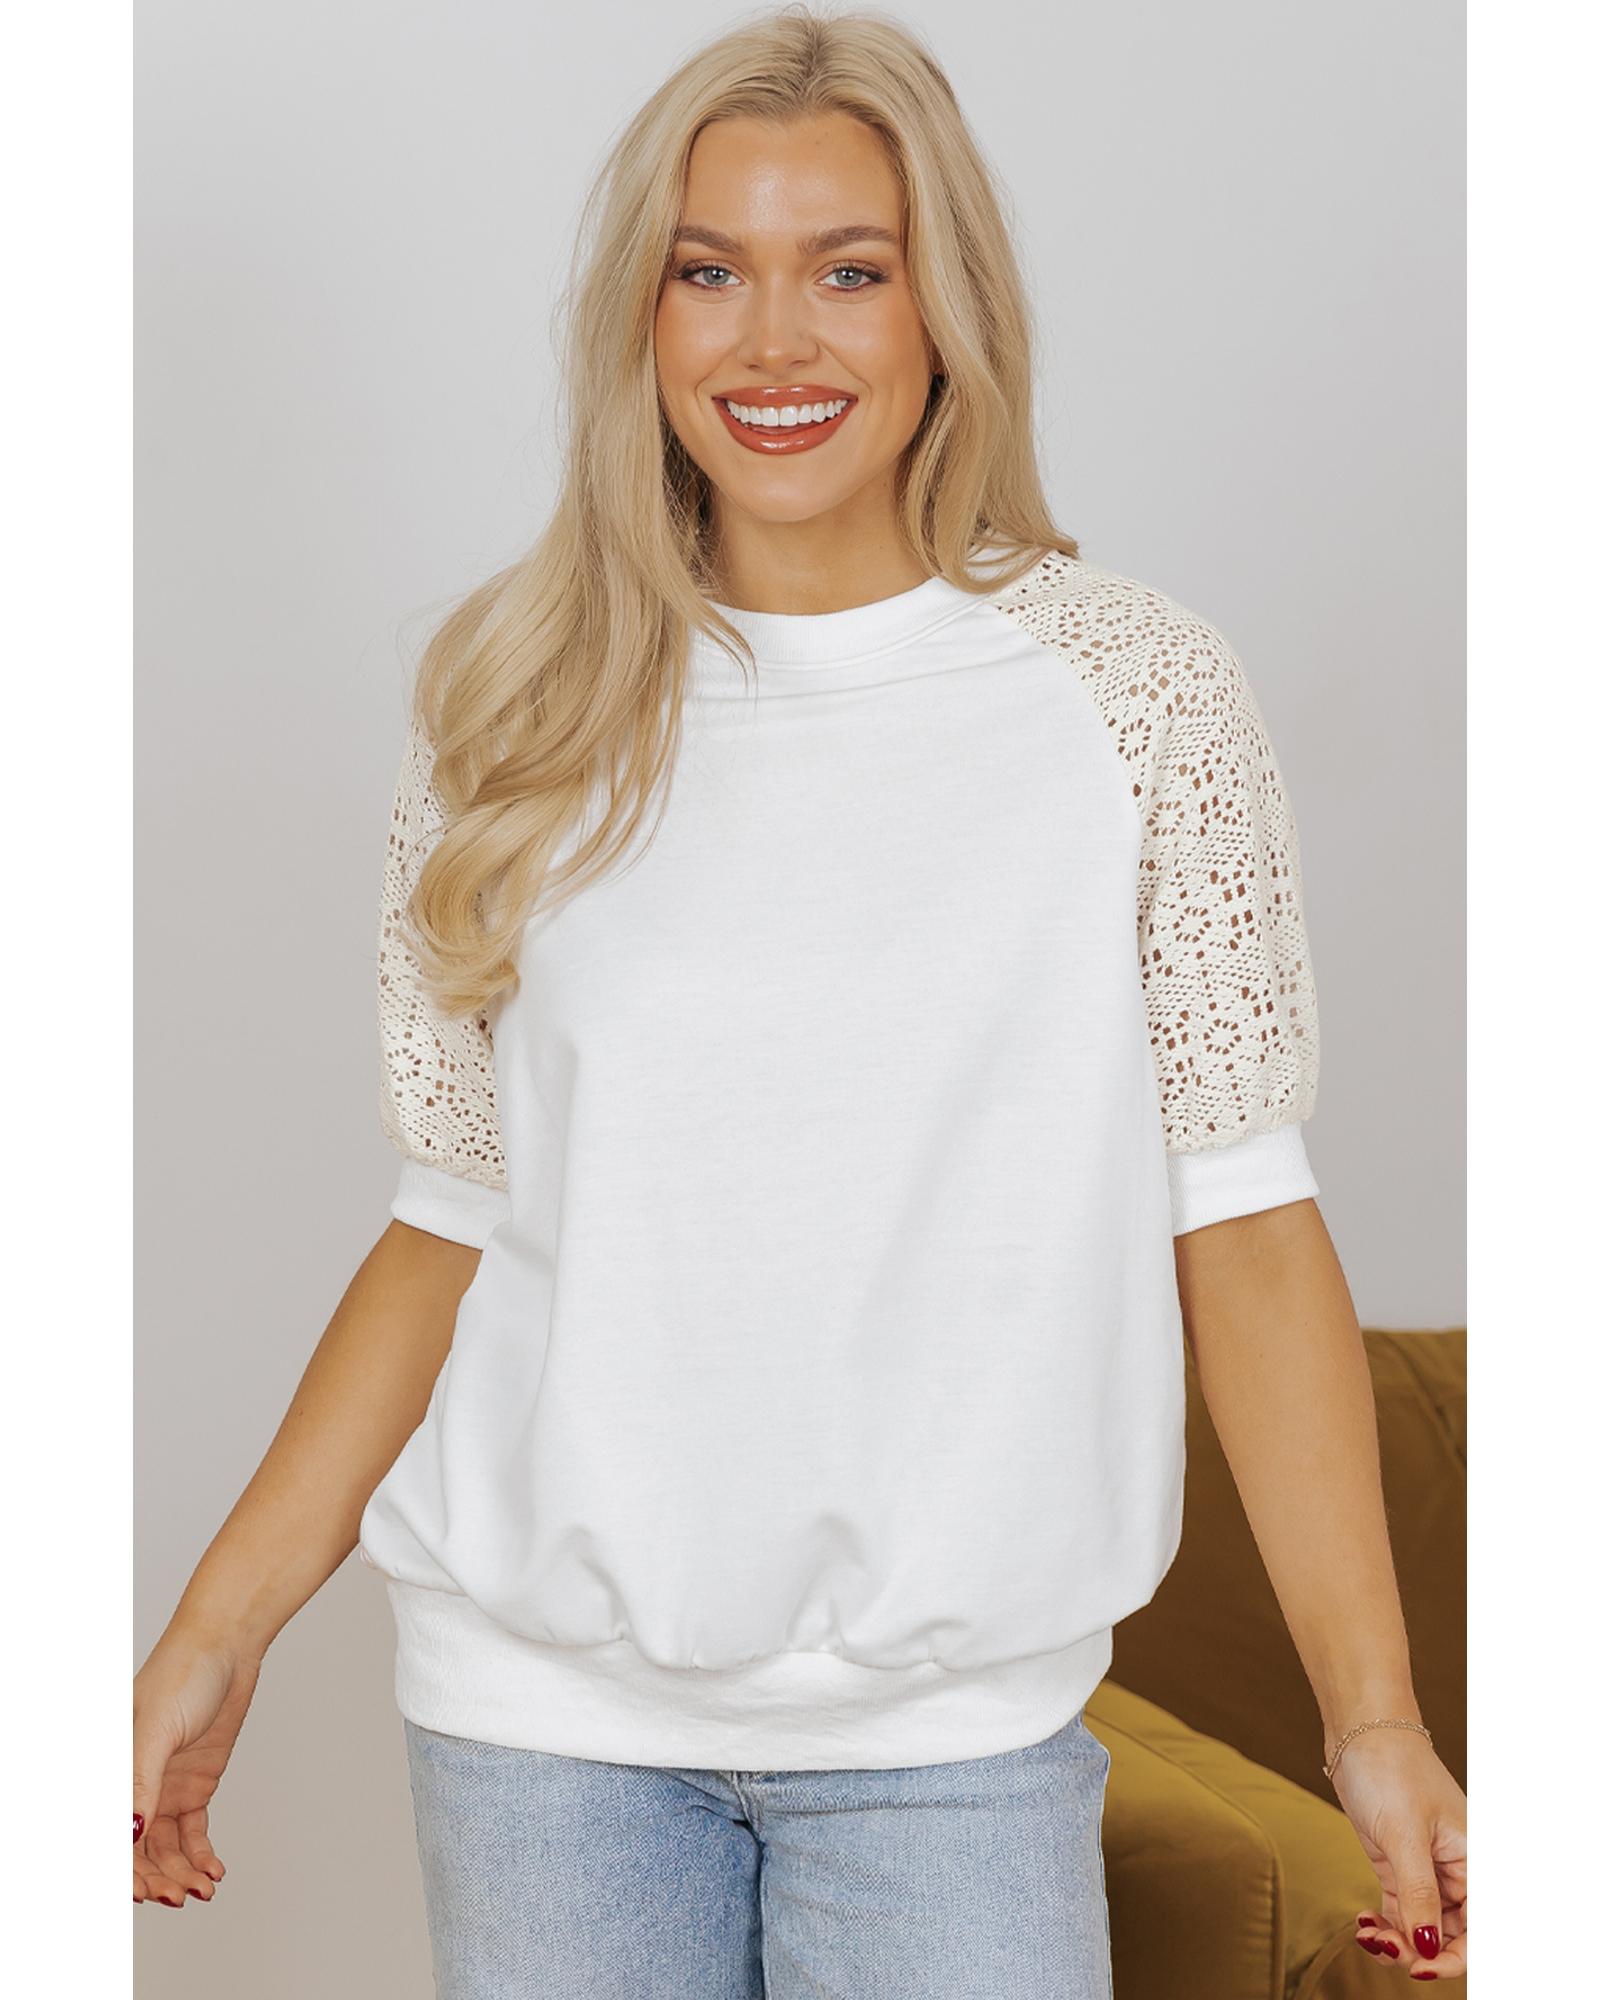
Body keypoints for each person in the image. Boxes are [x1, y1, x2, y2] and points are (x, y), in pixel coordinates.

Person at [132, 6, 1468, 1992]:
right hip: (538, 1734)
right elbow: (449, 1220)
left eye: (849, 269)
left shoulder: (1136, 698)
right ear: (641, 315)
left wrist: (1371, 1716)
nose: (774, 343)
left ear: (947, 309)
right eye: (709, 272)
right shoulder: (515, 702)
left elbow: (1245, 1220)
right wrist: (216, 1627)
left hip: (950, 1745)